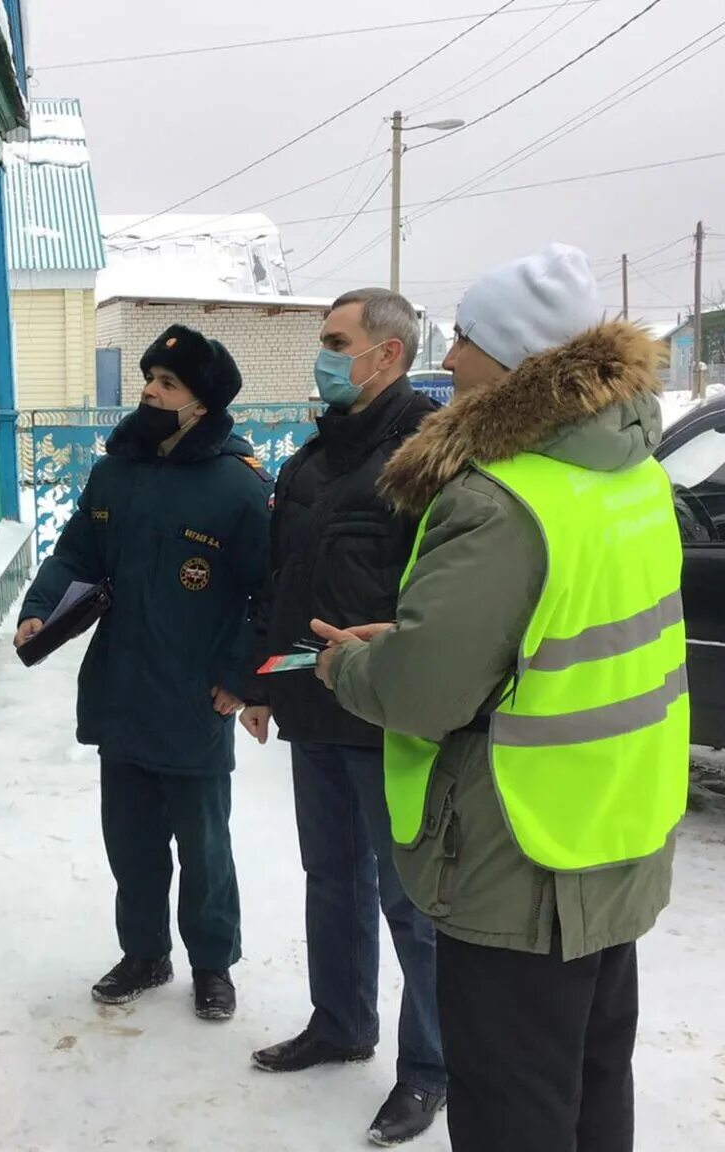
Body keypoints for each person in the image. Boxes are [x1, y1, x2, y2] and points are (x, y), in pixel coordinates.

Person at [313, 244, 688, 1152]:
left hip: (518, 860)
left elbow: (427, 692)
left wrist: (351, 669)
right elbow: (553, 639)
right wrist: (414, 645)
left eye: (465, 340)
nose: (448, 360)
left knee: (514, 1108)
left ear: (517, 357)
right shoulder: (632, 473)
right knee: (594, 1086)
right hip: (617, 829)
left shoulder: (500, 499)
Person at [15, 325, 270, 1021]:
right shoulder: (114, 473)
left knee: (205, 848)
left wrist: (244, 677)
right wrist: (42, 609)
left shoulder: (238, 488)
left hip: (194, 698)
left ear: (202, 404)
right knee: (130, 843)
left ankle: (213, 963)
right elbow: (75, 555)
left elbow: (268, 593)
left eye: (168, 384)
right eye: (149, 379)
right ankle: (144, 952)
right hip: (122, 692)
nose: (151, 392)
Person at [240, 289, 447, 1146]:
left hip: (391, 715)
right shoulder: (312, 462)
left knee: (411, 902)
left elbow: (445, 596)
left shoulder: (430, 454)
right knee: (331, 878)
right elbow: (284, 584)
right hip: (313, 706)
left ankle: (430, 1066)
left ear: (387, 355)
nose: (322, 357)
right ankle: (340, 1022)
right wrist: (258, 682)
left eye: (335, 341)